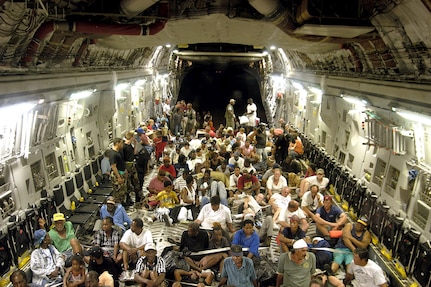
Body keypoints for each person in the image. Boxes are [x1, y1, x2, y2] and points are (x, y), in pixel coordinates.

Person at [110, 137, 128, 204]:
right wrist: (119, 177)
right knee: (118, 192)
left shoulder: (118, 152)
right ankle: (118, 206)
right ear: (117, 143)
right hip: (117, 175)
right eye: (121, 143)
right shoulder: (113, 154)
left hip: (122, 173)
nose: (122, 145)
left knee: (123, 191)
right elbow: (113, 167)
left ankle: (122, 204)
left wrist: (125, 170)